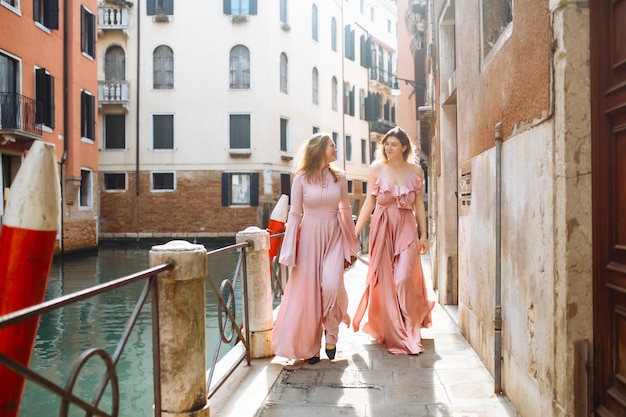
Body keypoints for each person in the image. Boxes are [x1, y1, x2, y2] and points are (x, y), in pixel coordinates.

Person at [272, 133, 359, 364]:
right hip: (309, 238)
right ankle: (310, 348)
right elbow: (294, 213)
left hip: (333, 236)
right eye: (332, 146)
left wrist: (352, 241)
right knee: (308, 294)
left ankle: (331, 333)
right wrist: (289, 248)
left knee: (331, 285)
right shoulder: (300, 179)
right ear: (320, 149)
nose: (336, 150)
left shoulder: (340, 178)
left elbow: (344, 209)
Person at [353, 126, 435, 355]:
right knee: (387, 282)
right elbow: (369, 203)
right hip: (382, 227)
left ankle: (410, 328)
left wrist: (424, 235)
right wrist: (356, 230)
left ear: (404, 147)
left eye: (393, 144)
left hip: (407, 227)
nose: (388, 148)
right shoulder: (376, 169)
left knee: (404, 278)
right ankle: (394, 327)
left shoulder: (416, 171)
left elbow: (419, 204)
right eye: (386, 144)